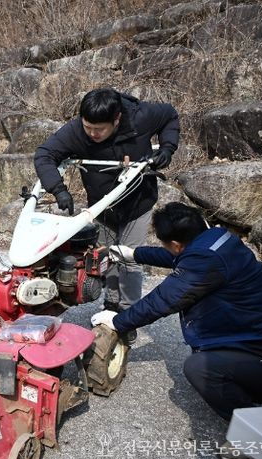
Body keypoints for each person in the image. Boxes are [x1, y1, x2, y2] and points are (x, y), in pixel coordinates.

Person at [91, 202, 262, 459]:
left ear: (176, 243)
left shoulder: (204, 260)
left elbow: (164, 299)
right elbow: (180, 257)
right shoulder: (218, 238)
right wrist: (134, 254)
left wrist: (117, 321)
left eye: (168, 245)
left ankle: (261, 431)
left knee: (200, 369)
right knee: (208, 359)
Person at [34, 87, 180, 341]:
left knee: (129, 257)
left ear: (117, 119)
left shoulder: (141, 117)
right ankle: (111, 304)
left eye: (99, 129)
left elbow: (170, 115)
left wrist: (167, 148)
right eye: (88, 127)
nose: (92, 133)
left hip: (138, 200)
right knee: (107, 255)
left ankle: (128, 314)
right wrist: (58, 189)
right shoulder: (76, 131)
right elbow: (44, 154)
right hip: (102, 203)